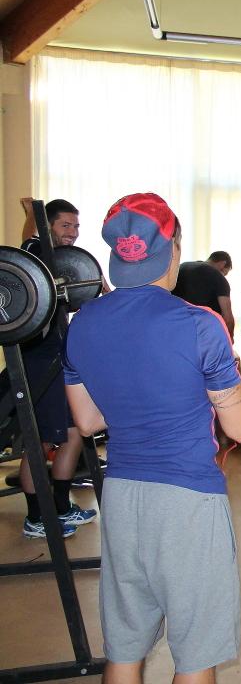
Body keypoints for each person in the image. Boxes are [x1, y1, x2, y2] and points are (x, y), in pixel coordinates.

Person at [64, 192, 241, 683]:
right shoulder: (199, 324)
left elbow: (86, 422)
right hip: (188, 502)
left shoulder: (83, 323)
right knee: (195, 655)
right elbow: (239, 428)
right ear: (171, 249)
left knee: (125, 646)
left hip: (123, 497)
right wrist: (233, 383)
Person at [18, 199, 98, 538]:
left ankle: (62, 506)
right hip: (37, 359)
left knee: (75, 432)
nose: (73, 233)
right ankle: (37, 517)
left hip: (61, 354)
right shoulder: (35, 251)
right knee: (37, 441)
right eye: (66, 225)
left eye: (76, 226)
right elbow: (28, 242)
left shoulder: (64, 261)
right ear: (47, 225)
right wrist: (29, 216)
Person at [173, 250, 235, 337]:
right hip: (202, 333)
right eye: (224, 273)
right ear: (223, 263)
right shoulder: (218, 277)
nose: (223, 276)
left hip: (174, 326)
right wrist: (230, 339)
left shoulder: (182, 267)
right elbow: (228, 318)